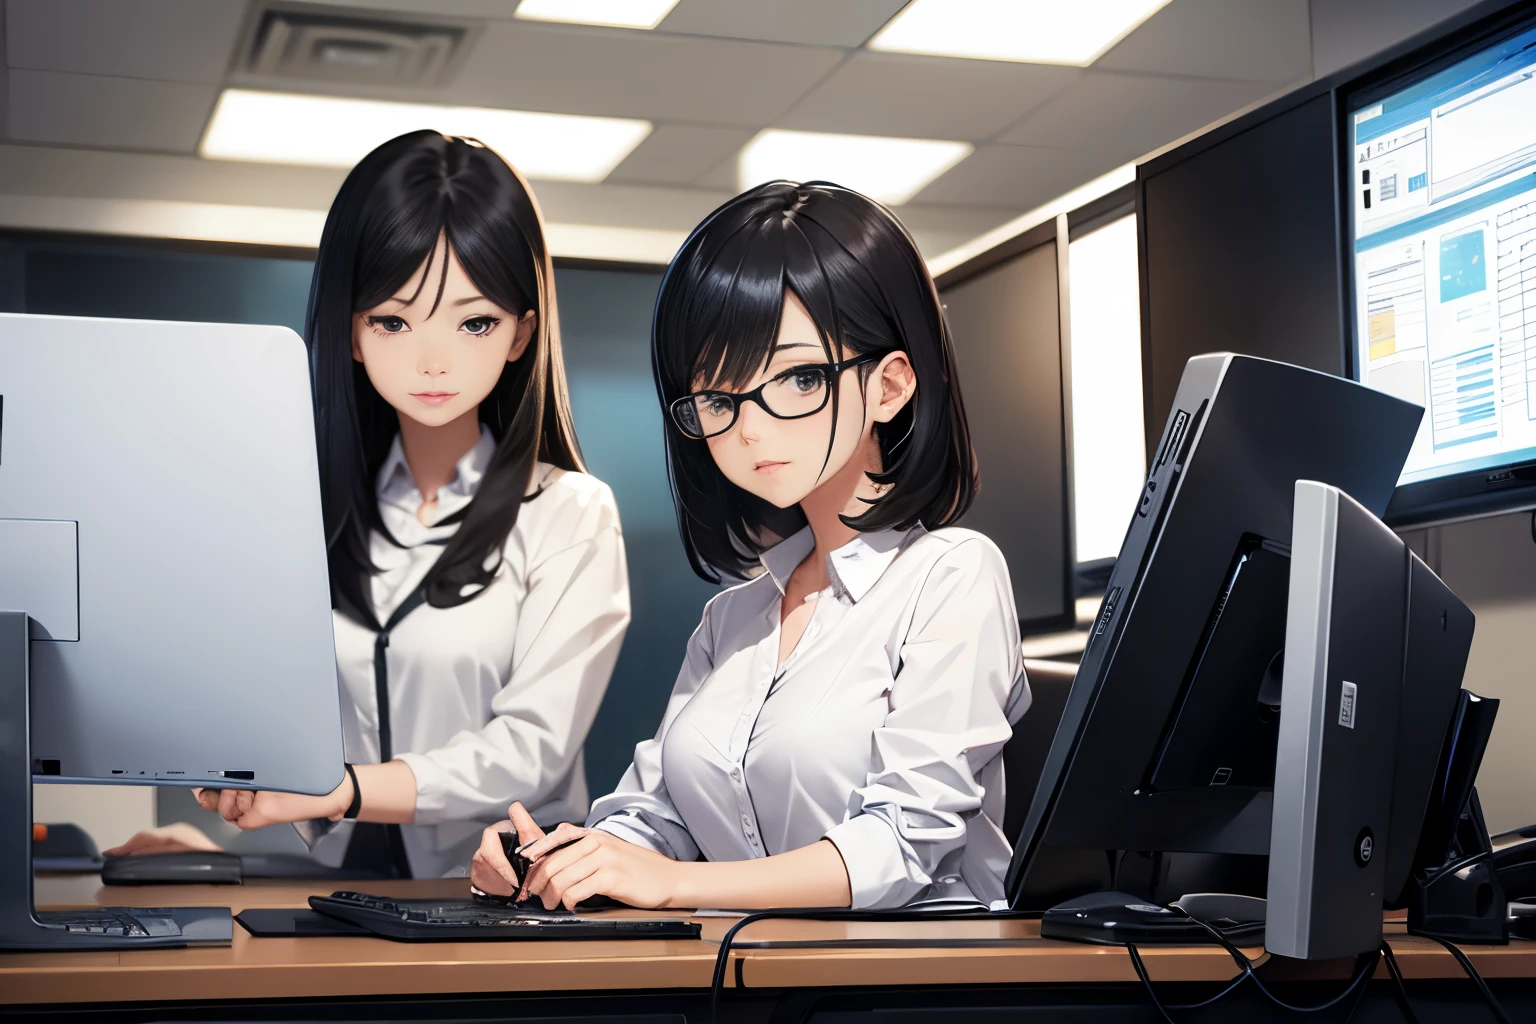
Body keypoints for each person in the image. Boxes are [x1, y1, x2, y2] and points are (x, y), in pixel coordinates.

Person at [469, 180, 1030, 910]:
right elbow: (657, 819)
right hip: (748, 982)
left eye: (798, 377)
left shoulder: (953, 575)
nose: (750, 426)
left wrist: (673, 883)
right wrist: (558, 855)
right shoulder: (732, 618)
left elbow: (900, 846)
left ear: (890, 387)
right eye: (718, 395)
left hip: (914, 989)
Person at [114, 131, 630, 879]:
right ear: (351, 333)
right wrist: (239, 832)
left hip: (498, 900)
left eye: (473, 321)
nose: (433, 360)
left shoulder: (568, 513)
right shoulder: (298, 515)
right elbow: (281, 730)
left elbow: (532, 752)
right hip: (332, 892)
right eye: (393, 320)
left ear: (521, 332)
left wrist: (344, 791)